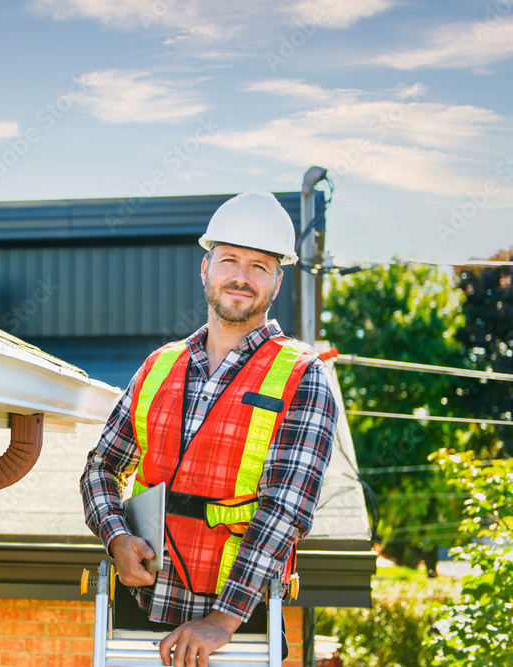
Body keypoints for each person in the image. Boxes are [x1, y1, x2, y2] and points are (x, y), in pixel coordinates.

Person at [80, 192, 340, 667]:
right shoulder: (159, 366)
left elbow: (286, 510)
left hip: (242, 626)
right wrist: (116, 537)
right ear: (206, 270)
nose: (241, 276)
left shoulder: (303, 375)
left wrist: (222, 619)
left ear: (277, 282)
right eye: (229, 260)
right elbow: (100, 467)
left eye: (259, 266)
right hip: (143, 610)